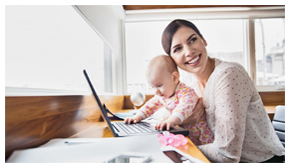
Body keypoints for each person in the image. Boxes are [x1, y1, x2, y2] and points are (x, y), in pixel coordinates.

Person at [160, 19, 285, 163]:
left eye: (193, 40)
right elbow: (164, 113)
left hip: (261, 161)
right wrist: (188, 119)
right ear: (172, 60)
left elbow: (227, 156)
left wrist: (179, 148)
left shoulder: (229, 74)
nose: (189, 51)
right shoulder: (189, 84)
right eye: (177, 49)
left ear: (204, 40)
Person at [125, 55, 214, 146]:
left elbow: (183, 108)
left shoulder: (187, 92)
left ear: (174, 78)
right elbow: (150, 106)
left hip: (201, 133)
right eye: (153, 87)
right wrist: (138, 117)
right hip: (183, 132)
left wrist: (170, 121)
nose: (156, 91)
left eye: (159, 85)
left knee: (201, 156)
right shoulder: (162, 95)